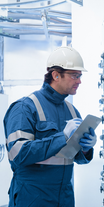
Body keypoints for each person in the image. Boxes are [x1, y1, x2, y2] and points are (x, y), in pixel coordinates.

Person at [3, 46, 97, 207]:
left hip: (64, 197)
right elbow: (17, 154)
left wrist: (86, 148)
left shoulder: (72, 111)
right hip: (32, 198)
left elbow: (74, 157)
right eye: (74, 75)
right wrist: (62, 137)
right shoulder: (25, 107)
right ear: (55, 75)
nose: (79, 81)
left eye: (80, 76)